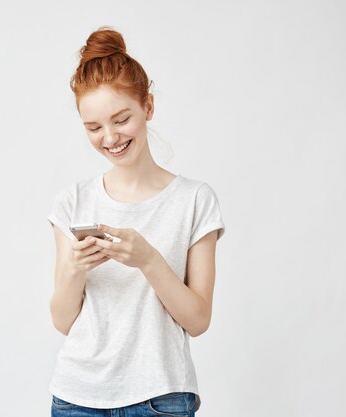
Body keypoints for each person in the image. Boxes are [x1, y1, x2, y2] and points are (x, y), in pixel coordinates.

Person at [46, 26, 225, 416]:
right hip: (77, 398)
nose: (109, 137)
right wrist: (75, 268)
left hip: (160, 397)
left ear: (148, 107)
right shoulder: (72, 201)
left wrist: (148, 260)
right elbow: (62, 320)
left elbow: (198, 320)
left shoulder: (194, 200)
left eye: (121, 119)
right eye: (93, 128)